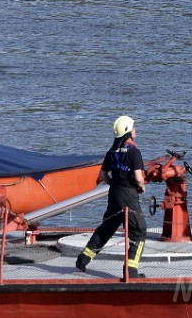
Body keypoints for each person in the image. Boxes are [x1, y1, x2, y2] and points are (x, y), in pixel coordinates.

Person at [76, 115, 147, 278]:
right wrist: (141, 187)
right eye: (134, 128)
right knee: (139, 230)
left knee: (107, 228)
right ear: (129, 132)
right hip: (129, 195)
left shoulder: (111, 152)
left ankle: (83, 259)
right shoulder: (134, 152)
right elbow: (138, 177)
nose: (136, 130)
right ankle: (131, 271)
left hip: (114, 194)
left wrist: (114, 184)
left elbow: (102, 175)